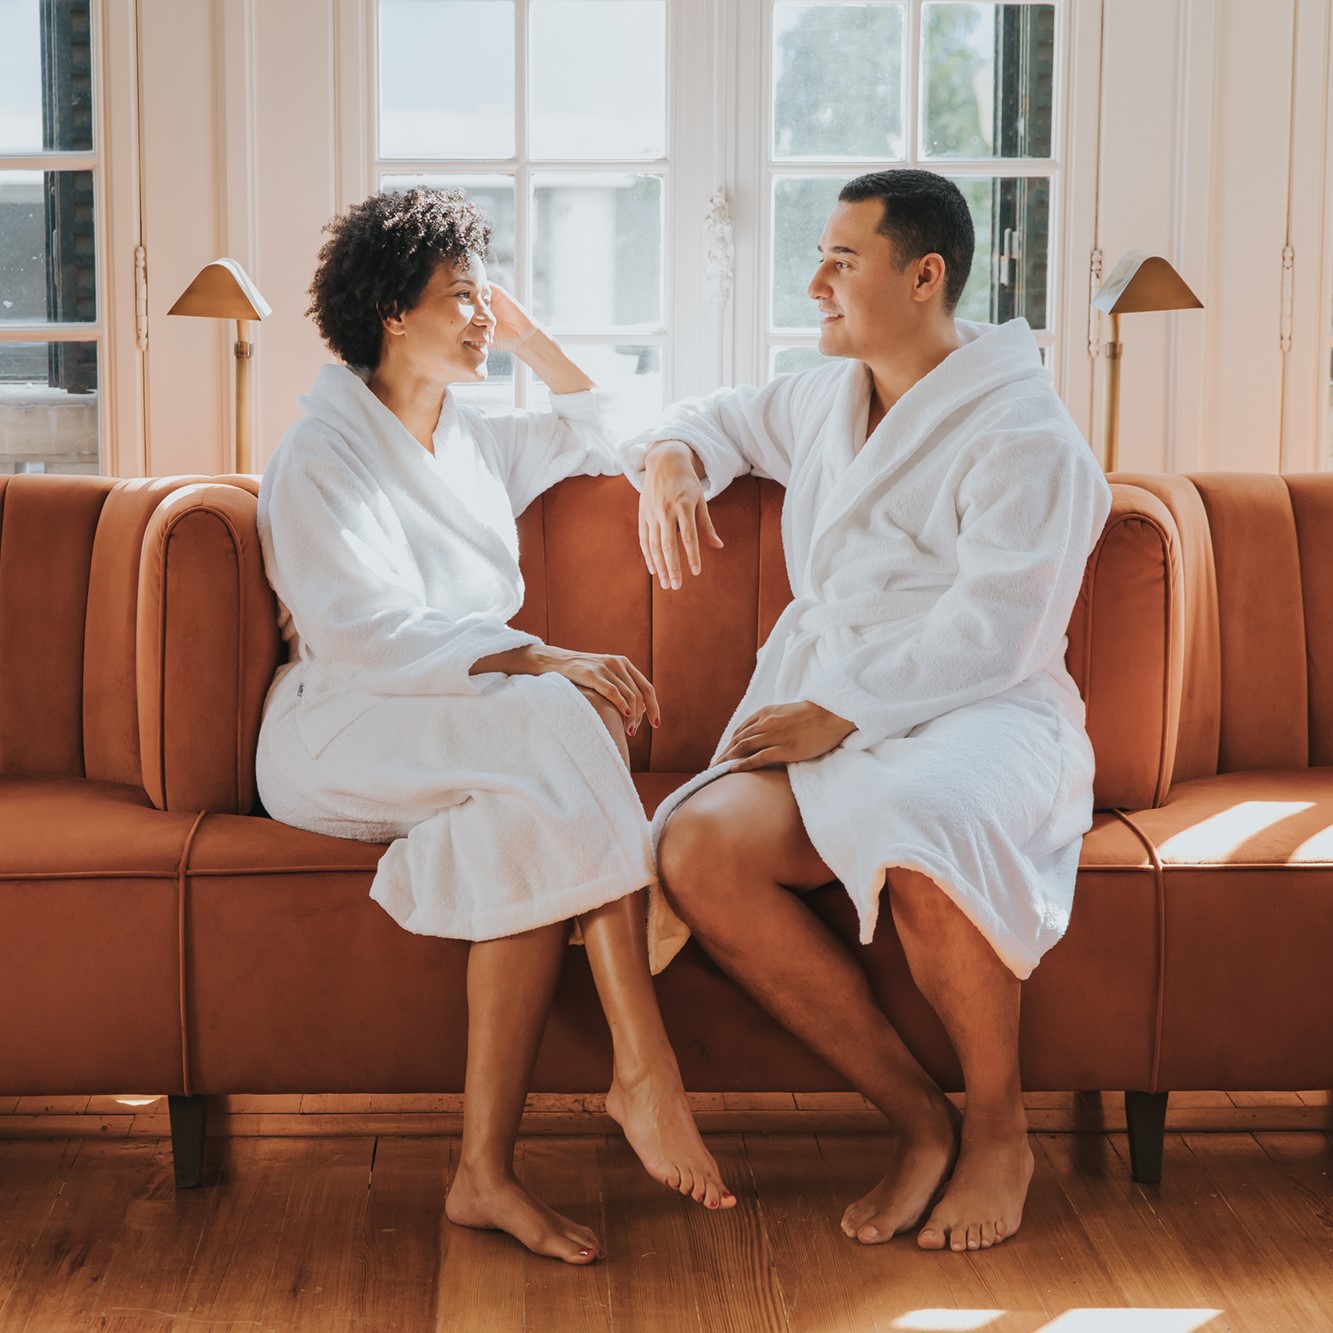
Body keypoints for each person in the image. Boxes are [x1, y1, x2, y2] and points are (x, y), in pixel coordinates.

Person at [630, 169, 1111, 1253]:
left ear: (924, 275)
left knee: (926, 830)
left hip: (983, 711)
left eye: (840, 263)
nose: (815, 285)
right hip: (831, 697)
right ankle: (918, 1119)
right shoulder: (830, 396)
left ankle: (999, 1129)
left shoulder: (1023, 431)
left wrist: (841, 710)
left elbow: (998, 627)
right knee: (697, 847)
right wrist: (670, 460)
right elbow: (711, 418)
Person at [255, 187, 734, 1266]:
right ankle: (644, 1064)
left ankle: (483, 1173)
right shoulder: (320, 455)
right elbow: (362, 633)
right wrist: (540, 655)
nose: (483, 316)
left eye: (486, 296)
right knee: (559, 714)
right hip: (341, 728)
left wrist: (531, 340)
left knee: (526, 819)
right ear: (391, 312)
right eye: (460, 298)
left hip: (466, 723)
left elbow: (611, 429)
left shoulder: (471, 440)